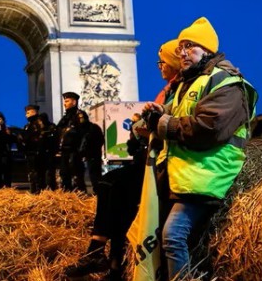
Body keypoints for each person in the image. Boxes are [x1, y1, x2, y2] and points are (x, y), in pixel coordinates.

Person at [142, 17, 257, 280]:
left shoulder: (227, 82)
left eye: (189, 46)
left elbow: (208, 129)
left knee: (173, 236)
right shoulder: (189, 82)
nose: (181, 52)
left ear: (207, 49)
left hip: (209, 172)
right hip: (186, 173)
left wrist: (165, 125)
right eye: (180, 47)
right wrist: (160, 112)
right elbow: (179, 115)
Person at [65, 39, 181, 280]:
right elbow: (141, 127)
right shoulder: (169, 90)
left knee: (111, 185)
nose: (159, 66)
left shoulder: (178, 91)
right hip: (146, 158)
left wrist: (147, 126)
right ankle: (111, 262)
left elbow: (160, 125)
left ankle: (99, 252)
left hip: (162, 162)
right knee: (115, 195)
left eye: (162, 62)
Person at [56, 92, 89, 191]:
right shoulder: (65, 118)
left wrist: (81, 151)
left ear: (74, 102)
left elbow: (85, 134)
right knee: (64, 175)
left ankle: (80, 198)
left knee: (76, 177)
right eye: (64, 101)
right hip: (64, 152)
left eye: (67, 101)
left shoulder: (80, 115)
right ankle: (68, 197)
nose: (64, 104)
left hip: (74, 152)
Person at [20, 104, 46, 194]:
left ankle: (38, 192)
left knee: (37, 174)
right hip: (30, 153)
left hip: (37, 153)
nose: (26, 115)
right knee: (32, 174)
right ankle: (34, 191)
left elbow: (41, 137)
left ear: (34, 112)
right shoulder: (28, 125)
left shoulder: (39, 123)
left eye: (28, 112)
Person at [0, 111, 14, 188]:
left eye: (0, 119)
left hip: (5, 153)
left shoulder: (7, 129)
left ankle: (7, 186)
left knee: (7, 173)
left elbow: (11, 140)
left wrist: (7, 133)